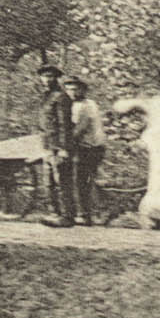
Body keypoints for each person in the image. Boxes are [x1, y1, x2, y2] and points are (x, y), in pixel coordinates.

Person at [63, 75, 107, 226]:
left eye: (75, 89)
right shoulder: (78, 105)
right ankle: (91, 213)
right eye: (68, 89)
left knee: (83, 180)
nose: (72, 92)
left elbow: (79, 130)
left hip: (91, 147)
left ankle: (89, 214)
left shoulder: (86, 106)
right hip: (90, 146)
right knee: (86, 180)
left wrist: (64, 144)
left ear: (83, 90)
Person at [37, 63, 76, 227]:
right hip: (47, 145)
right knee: (49, 182)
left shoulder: (61, 97)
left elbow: (64, 125)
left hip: (59, 146)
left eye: (50, 76)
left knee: (62, 181)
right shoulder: (46, 97)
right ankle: (54, 213)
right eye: (44, 76)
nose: (47, 79)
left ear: (56, 78)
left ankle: (67, 216)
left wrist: (64, 149)